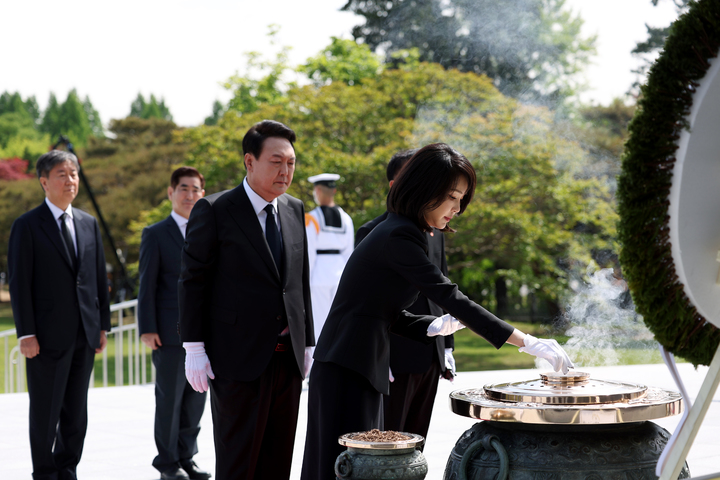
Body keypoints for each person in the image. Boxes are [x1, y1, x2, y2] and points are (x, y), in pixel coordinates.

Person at [300, 143, 574, 480]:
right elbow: (451, 296)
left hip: (356, 363)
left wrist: (430, 326)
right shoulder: (398, 233)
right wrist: (528, 342)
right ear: (425, 190)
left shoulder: (406, 230)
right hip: (347, 366)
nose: (457, 208)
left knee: (354, 469)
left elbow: (377, 308)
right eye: (452, 197)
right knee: (343, 468)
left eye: (461, 199)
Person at [178, 120, 315, 480]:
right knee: (239, 461)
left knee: (278, 458)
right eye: (276, 161)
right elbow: (193, 281)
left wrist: (309, 342)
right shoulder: (215, 209)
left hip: (288, 361)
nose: (285, 171)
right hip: (237, 358)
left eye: (291, 163)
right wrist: (193, 347)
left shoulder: (294, 208)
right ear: (249, 162)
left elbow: (299, 282)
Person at [8, 149, 111, 480]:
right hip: (45, 337)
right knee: (45, 411)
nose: (71, 180)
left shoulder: (88, 222)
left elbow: (97, 278)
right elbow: (19, 283)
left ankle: (68, 469)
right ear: (43, 182)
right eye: (62, 174)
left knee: (75, 412)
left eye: (74, 174)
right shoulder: (27, 225)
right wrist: (26, 333)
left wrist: (103, 326)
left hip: (84, 333)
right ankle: (45, 473)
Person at [355, 148, 454, 442]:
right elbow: (366, 300)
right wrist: (376, 354)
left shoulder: (436, 231)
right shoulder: (373, 232)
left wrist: (447, 347)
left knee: (417, 442)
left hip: (431, 352)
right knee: (390, 441)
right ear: (395, 185)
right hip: (394, 355)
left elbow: (444, 289)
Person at [138, 167, 210, 480]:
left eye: (195, 189)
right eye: (183, 188)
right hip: (168, 333)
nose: (190, 195)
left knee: (196, 400)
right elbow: (147, 284)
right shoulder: (155, 233)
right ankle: (167, 464)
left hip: (206, 332)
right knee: (170, 399)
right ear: (171, 192)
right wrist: (147, 327)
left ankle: (187, 457)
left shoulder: (210, 230)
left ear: (203, 194)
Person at [305, 173, 354, 346]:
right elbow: (350, 252)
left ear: (317, 191)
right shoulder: (347, 218)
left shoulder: (310, 218)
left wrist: (305, 281)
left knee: (319, 323)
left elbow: (309, 253)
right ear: (333, 191)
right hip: (340, 274)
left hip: (318, 275)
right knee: (340, 322)